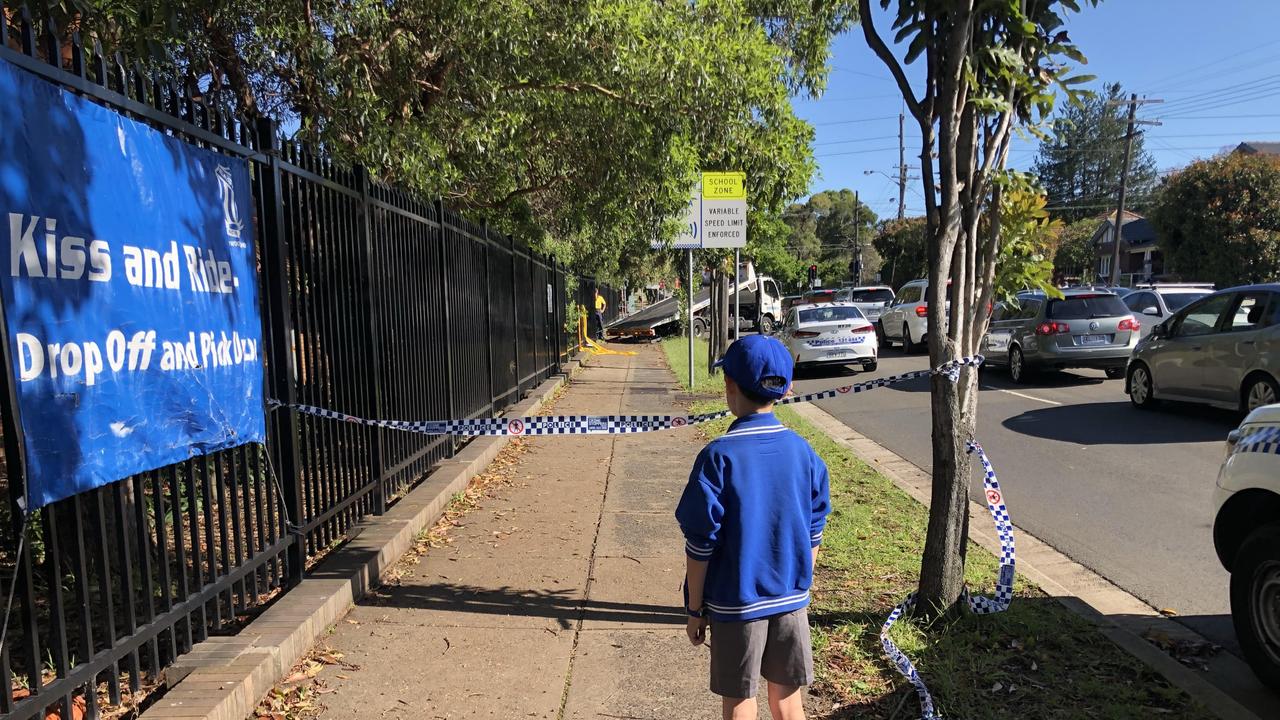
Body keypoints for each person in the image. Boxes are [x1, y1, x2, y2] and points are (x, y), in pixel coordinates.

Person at [675, 335, 830, 720]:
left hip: (735, 604)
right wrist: (800, 581)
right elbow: (815, 527)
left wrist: (695, 608)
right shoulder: (804, 453)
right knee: (789, 702)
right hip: (791, 600)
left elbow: (700, 545)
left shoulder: (717, 458)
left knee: (740, 700)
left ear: (729, 386)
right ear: (784, 388)